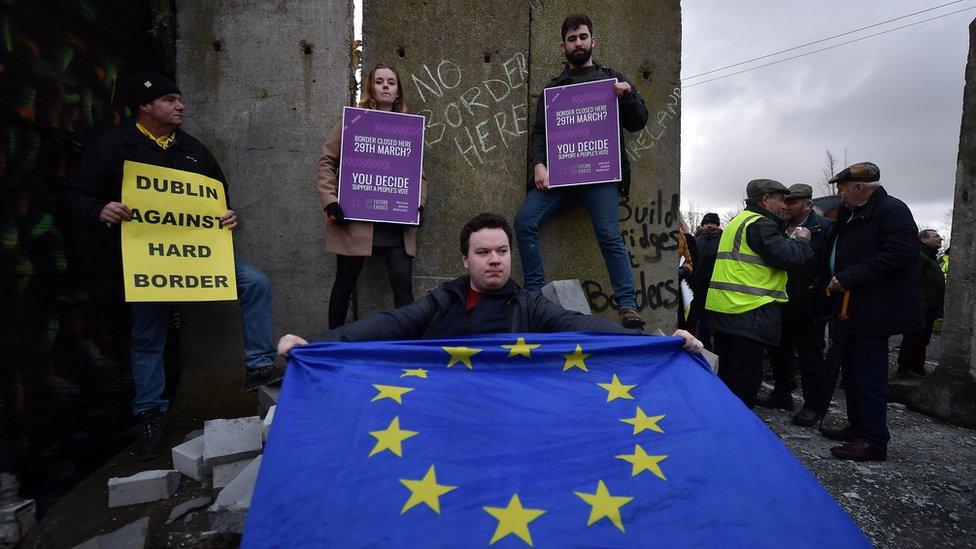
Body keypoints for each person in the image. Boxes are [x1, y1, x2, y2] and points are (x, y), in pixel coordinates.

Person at [63, 72, 282, 460]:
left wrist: (227, 215)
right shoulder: (113, 147)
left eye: (179, 99)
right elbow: (75, 194)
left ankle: (259, 366)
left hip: (200, 254)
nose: (180, 106)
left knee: (255, 282)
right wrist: (100, 209)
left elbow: (218, 196)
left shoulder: (194, 150)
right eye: (169, 100)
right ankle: (150, 414)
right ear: (145, 106)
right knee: (148, 335)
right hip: (148, 261)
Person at [277, 213, 703, 353]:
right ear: (465, 258)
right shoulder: (443, 300)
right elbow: (389, 323)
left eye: (502, 251)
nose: (495, 260)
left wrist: (658, 341)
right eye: (483, 253)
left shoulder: (528, 305)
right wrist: (314, 344)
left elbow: (585, 326)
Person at [514, 13, 649, 329]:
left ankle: (627, 305)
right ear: (563, 46)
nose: (578, 43)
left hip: (600, 177)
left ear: (593, 41)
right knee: (524, 220)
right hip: (560, 178)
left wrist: (626, 96)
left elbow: (638, 121)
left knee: (609, 235)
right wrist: (538, 165)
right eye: (572, 39)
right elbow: (539, 134)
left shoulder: (613, 80)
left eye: (583, 37)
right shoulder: (554, 89)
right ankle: (534, 295)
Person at [819, 162, 922, 462]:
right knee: (851, 372)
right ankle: (858, 426)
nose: (838, 194)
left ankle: (873, 440)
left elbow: (899, 255)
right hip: (850, 309)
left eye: (841, 189)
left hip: (875, 310)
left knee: (868, 375)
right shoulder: (851, 213)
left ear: (859, 188)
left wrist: (848, 277)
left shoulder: (891, 210)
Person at [316, 63, 427, 328]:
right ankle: (336, 346)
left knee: (403, 284)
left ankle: (408, 348)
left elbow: (418, 174)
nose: (385, 86)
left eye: (391, 82)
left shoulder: (410, 127)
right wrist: (330, 201)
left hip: (397, 221)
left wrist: (418, 204)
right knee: (344, 282)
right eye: (379, 81)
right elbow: (326, 163)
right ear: (370, 87)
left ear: (398, 91)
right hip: (356, 219)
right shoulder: (352, 120)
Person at [704, 179, 812, 409]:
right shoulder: (760, 224)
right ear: (765, 200)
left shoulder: (739, 221)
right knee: (745, 382)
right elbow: (790, 257)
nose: (784, 205)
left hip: (727, 310)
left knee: (729, 378)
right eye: (781, 200)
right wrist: (802, 240)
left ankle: (725, 425)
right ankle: (740, 434)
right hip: (747, 311)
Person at [757, 184, 833, 427]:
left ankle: (813, 405)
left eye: (792, 202)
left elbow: (828, 266)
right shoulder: (776, 227)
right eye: (784, 201)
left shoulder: (824, 229)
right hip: (781, 301)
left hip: (809, 304)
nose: (786, 206)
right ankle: (782, 393)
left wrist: (819, 293)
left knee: (810, 355)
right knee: (780, 350)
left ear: (807, 205)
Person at [894, 229, 945, 379]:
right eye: (935, 236)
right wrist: (920, 302)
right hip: (920, 306)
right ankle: (904, 368)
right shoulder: (919, 257)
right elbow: (913, 281)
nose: (940, 239)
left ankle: (917, 367)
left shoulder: (930, 257)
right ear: (923, 239)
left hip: (929, 306)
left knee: (923, 338)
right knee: (914, 337)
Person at [692, 212, 722, 350]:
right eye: (706, 223)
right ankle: (706, 350)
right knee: (702, 324)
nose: (709, 226)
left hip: (718, 288)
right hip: (699, 289)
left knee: (718, 325)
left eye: (712, 223)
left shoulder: (723, 240)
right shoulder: (697, 241)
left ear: (717, 224)